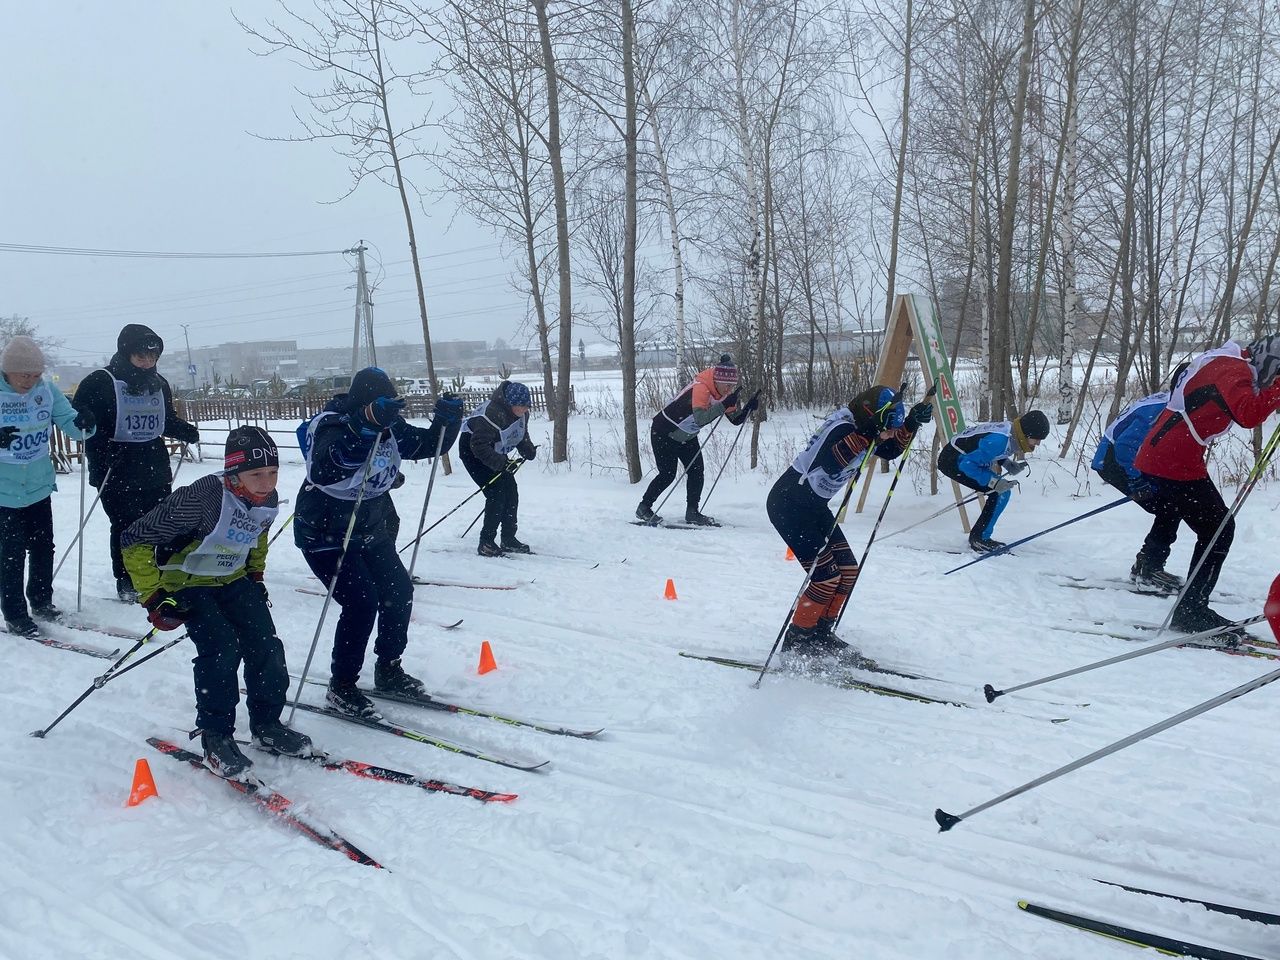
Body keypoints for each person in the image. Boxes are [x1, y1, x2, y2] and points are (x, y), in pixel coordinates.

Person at [120, 427, 311, 779]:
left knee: (266, 646)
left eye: (273, 472)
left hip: (233, 579)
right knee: (222, 649)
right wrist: (153, 597)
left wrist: (255, 573)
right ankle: (216, 737)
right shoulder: (203, 497)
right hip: (185, 583)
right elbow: (134, 540)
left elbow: (258, 535)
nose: (266, 482)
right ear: (233, 472)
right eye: (256, 474)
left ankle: (267, 724)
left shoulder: (265, 497)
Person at [295, 368, 463, 719]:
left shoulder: (390, 425)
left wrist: (446, 424)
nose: (391, 413)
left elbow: (425, 445)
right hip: (326, 535)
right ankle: (341, 686)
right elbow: (330, 466)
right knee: (361, 603)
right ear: (364, 403)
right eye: (380, 405)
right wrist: (365, 426)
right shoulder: (333, 424)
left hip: (370, 527)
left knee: (399, 592)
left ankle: (389, 668)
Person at [767, 385, 933, 662]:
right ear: (871, 418)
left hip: (813, 506)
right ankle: (798, 638)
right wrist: (874, 433)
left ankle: (821, 632)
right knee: (825, 576)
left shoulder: (865, 427)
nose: (891, 433)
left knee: (848, 570)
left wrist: (911, 424)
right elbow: (833, 461)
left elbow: (889, 449)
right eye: (888, 427)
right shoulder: (841, 428)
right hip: (789, 506)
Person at [1132, 335, 1280, 634]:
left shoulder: (1233, 364)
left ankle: (1186, 601)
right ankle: (1191, 611)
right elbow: (1248, 414)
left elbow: (1251, 402)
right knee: (1218, 529)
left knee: (1212, 527)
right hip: (1171, 458)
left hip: (1176, 457)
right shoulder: (1230, 367)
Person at [73, 324, 200, 602]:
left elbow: (162, 420)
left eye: (153, 357)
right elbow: (82, 422)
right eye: (141, 356)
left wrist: (183, 429)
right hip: (115, 470)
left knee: (159, 523)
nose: (147, 362)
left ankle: (155, 571)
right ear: (126, 352)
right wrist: (103, 449)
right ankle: (127, 579)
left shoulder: (158, 383)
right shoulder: (100, 381)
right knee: (126, 526)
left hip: (153, 466)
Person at [0, 337, 96, 638]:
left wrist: (85, 423)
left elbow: (69, 421)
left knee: (43, 547)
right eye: (23, 375)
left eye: (35, 374)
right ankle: (15, 614)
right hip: (4, 491)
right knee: (11, 554)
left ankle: (41, 601)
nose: (30, 381)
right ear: (7, 371)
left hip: (39, 485)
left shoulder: (46, 390)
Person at [1091, 363, 1190, 593]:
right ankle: (1149, 569)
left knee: (1171, 505)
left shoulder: (1173, 402)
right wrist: (1136, 481)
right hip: (1114, 459)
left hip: (1127, 458)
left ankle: (1146, 564)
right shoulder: (1162, 410)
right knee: (1169, 507)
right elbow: (1125, 446)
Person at [636, 354, 760, 526]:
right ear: (717, 380)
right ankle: (644, 507)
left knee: (696, 472)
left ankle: (692, 513)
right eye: (726, 385)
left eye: (732, 385)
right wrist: (723, 405)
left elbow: (735, 419)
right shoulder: (702, 387)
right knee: (668, 474)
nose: (728, 389)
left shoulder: (725, 394)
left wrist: (748, 408)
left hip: (687, 436)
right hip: (664, 431)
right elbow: (701, 418)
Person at [938, 410, 1050, 552]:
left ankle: (980, 535)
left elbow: (988, 449)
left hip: (963, 457)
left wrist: (1007, 464)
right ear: (1026, 434)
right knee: (1000, 493)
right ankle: (979, 539)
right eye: (1036, 439)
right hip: (953, 461)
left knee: (999, 491)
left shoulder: (1011, 432)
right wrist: (993, 483)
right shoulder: (1000, 440)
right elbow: (967, 465)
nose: (1038, 443)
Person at [459, 380, 539, 556]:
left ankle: (508, 539)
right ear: (510, 403)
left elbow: (520, 434)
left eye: (527, 406)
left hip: (493, 450)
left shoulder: (521, 414)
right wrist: (501, 463)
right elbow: (478, 446)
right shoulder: (492, 413)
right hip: (472, 452)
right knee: (496, 493)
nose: (525, 410)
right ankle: (486, 542)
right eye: (521, 406)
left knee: (511, 490)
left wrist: (528, 449)